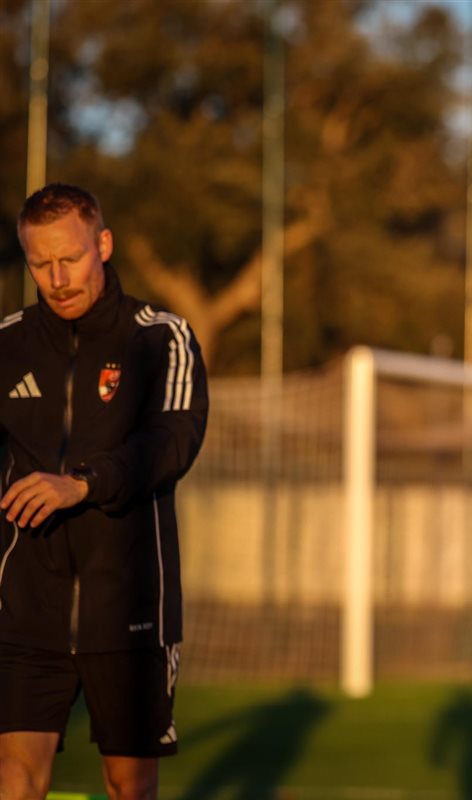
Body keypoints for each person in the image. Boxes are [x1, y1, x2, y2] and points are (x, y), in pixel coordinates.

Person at [0, 184, 208, 800]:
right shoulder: (8, 344)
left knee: (128, 784)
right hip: (26, 611)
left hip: (129, 610)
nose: (58, 279)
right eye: (41, 264)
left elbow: (170, 443)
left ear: (104, 244)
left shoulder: (160, 337)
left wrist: (81, 484)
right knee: (14, 778)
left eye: (71, 258)